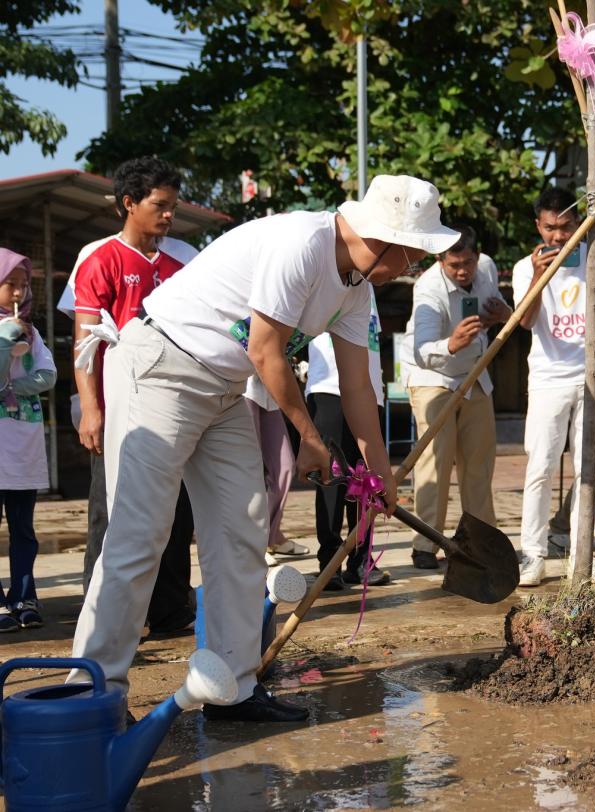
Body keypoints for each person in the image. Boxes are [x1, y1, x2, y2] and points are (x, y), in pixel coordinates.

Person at [70, 174, 457, 722]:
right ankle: (92, 694)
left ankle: (232, 686)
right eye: (416, 256)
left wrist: (381, 473)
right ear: (388, 242)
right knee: (141, 532)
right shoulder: (303, 244)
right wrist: (311, 438)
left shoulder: (357, 287)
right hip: (161, 366)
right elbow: (265, 350)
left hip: (223, 387)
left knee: (242, 527)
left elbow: (358, 387)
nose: (413, 268)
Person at [71, 156, 197, 637]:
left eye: (172, 206)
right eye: (159, 206)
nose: (168, 215)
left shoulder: (183, 260)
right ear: (129, 203)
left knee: (177, 510)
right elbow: (85, 343)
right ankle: (101, 613)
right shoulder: (99, 258)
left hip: (176, 400)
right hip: (119, 401)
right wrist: (90, 408)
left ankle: (169, 610)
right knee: (111, 508)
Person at [513, 187, 595, 587]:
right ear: (538, 226)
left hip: (594, 375)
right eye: (550, 228)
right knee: (541, 466)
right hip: (548, 378)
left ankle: (583, 555)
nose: (559, 237)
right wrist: (537, 275)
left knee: (589, 468)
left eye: (566, 227)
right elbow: (525, 322)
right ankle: (532, 554)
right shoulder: (523, 268)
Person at [403, 224, 509, 569]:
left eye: (468, 263)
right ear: (440, 261)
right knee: (434, 462)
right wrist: (451, 344)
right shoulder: (428, 289)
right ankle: (426, 543)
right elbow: (421, 351)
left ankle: (479, 541)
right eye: (454, 265)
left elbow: (504, 312)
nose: (463, 271)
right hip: (433, 377)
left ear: (477, 257)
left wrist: (501, 316)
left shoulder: (487, 268)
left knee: (479, 465)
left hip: (475, 375)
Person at [306, 289, 390, 590]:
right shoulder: (326, 273)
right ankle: (330, 561)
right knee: (330, 479)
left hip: (369, 394)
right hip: (328, 388)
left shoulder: (370, 286)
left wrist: (377, 392)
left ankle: (361, 560)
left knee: (366, 481)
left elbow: (371, 341)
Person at [0, 250, 56, 631]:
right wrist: (4, 345)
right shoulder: (11, 331)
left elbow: (49, 374)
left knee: (23, 528)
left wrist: (12, 386)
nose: (19, 292)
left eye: (24, 285)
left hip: (22, 446)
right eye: (11, 284)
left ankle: (24, 596)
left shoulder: (30, 331)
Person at [245, 377, 305, 565]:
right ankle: (254, 544)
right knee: (250, 469)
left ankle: (272, 535)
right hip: (243, 390)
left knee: (285, 467)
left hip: (268, 393)